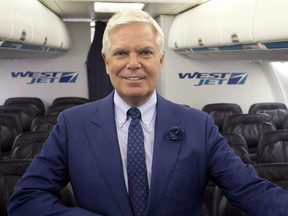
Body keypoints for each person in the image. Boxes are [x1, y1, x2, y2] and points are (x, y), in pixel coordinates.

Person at [8, 9, 288, 216]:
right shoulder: (73, 125)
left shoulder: (198, 126)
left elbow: (249, 190)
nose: (133, 64)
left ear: (161, 60)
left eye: (145, 52)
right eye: (120, 53)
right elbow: (26, 199)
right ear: (105, 62)